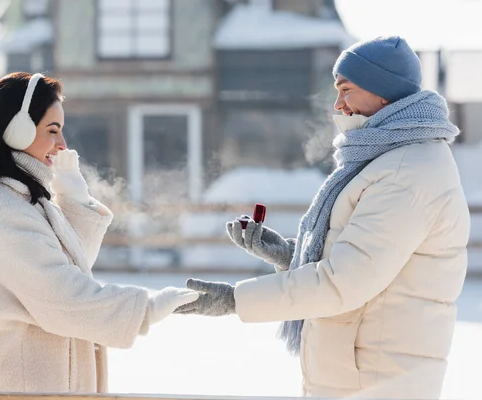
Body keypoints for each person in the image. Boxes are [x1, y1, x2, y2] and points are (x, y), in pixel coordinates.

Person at [176, 36, 470, 399]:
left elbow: (343, 282)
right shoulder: (394, 159)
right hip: (361, 373)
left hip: (376, 381)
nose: (337, 104)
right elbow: (365, 258)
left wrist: (236, 300)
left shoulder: (404, 173)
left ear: (382, 92)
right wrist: (291, 254)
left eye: (346, 90)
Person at [0, 72, 198, 393]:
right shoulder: (1, 211)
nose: (62, 145)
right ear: (17, 130)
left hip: (26, 386)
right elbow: (63, 297)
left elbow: (67, 268)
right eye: (52, 130)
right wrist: (145, 308)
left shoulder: (19, 198)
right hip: (8, 386)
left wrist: (75, 201)